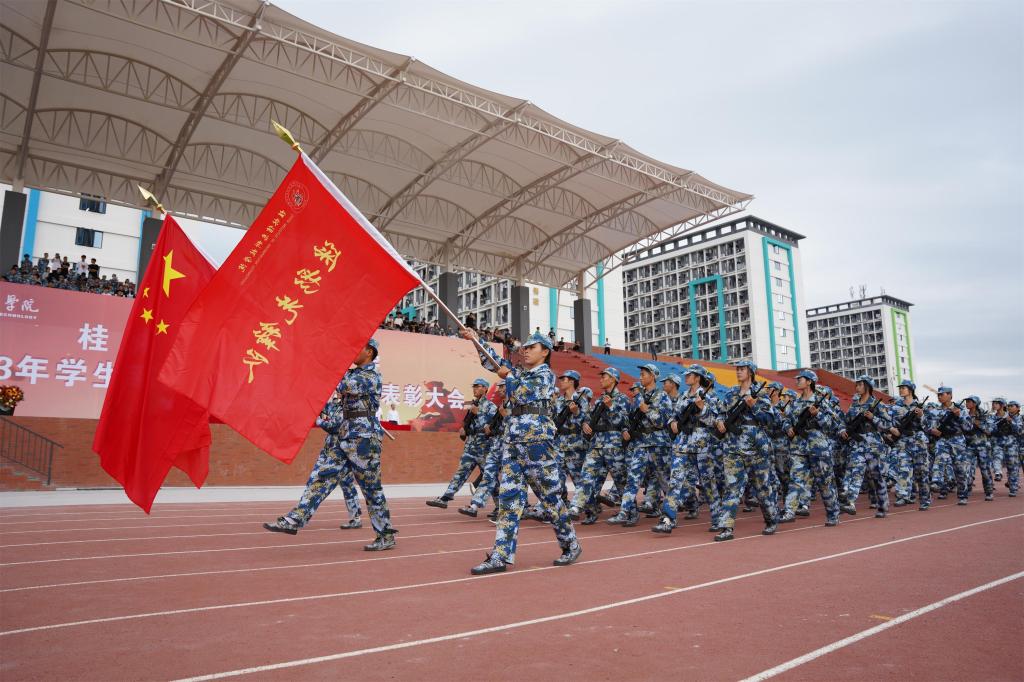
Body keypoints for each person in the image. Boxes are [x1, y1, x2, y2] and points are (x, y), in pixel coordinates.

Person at [459, 329, 581, 575]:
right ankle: (500, 556)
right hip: (513, 443)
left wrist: (510, 376)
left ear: (545, 352)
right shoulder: (519, 373)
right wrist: (476, 341)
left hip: (538, 445)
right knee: (509, 500)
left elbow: (523, 391)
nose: (525, 350)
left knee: (550, 501)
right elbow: (494, 363)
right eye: (524, 347)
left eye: (532, 347)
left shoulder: (546, 375)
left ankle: (571, 543)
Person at [263, 339, 397, 550]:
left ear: (369, 352)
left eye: (357, 347)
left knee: (371, 489)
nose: (351, 352)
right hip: (342, 435)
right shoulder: (353, 373)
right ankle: (296, 518)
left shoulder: (371, 376)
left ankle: (385, 535)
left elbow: (341, 384)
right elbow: (331, 396)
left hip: (363, 440)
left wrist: (328, 364)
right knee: (321, 475)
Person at [714, 360, 779, 541]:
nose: (738, 372)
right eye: (737, 369)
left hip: (757, 447)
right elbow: (721, 412)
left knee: (762, 487)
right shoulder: (730, 393)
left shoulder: (762, 394)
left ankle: (771, 519)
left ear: (750, 372)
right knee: (732, 487)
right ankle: (726, 527)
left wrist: (754, 406)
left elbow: (770, 420)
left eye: (742, 369)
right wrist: (719, 422)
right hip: (733, 446)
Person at [608, 363, 672, 527]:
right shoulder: (638, 398)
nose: (641, 376)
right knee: (632, 479)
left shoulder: (662, 396)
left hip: (658, 444)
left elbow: (662, 421)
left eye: (644, 374)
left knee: (664, 481)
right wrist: (625, 429)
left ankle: (670, 515)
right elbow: (629, 419)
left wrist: (647, 410)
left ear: (653, 376)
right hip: (640, 443)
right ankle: (624, 512)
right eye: (641, 374)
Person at [569, 367, 630, 524]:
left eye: (605, 376)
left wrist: (611, 408)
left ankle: (630, 510)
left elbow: (623, 422)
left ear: (613, 379)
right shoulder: (599, 399)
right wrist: (585, 424)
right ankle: (576, 506)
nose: (601, 379)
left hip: (613, 444)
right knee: (586, 475)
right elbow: (589, 418)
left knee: (620, 480)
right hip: (597, 443)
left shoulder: (622, 399)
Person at [426, 378, 498, 508]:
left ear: (485, 389)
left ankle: (499, 506)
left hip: (484, 450)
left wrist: (479, 414)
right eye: (474, 386)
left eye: (478, 386)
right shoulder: (473, 406)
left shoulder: (491, 407)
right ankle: (445, 498)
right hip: (470, 448)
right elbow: (470, 425)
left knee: (490, 478)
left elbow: (491, 428)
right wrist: (464, 431)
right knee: (460, 473)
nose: (475, 388)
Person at [781, 370, 840, 525]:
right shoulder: (795, 402)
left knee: (825, 482)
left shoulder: (821, 402)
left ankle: (833, 513)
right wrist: (788, 428)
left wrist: (817, 415)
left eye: (800, 379)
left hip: (818, 447)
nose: (797, 381)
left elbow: (833, 424)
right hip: (799, 447)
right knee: (795, 480)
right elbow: (786, 419)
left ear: (809, 382)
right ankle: (789, 511)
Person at [927, 386, 971, 505]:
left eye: (942, 394)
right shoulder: (936, 410)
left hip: (957, 440)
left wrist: (959, 416)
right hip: (943, 440)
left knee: (960, 470)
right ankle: (936, 482)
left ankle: (962, 495)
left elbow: (968, 427)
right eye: (939, 395)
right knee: (939, 459)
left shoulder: (961, 409)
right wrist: (932, 430)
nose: (940, 396)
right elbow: (929, 425)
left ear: (950, 395)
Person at [962, 395, 995, 501]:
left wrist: (978, 423)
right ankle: (965, 492)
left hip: (982, 447)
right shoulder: (964, 414)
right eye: (966, 401)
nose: (967, 403)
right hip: (968, 446)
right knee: (966, 470)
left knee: (985, 471)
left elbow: (990, 430)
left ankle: (989, 492)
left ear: (975, 403)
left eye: (969, 401)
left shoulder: (984, 415)